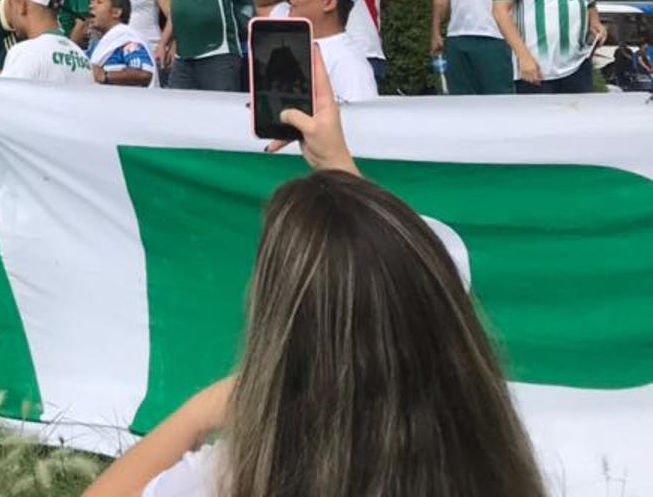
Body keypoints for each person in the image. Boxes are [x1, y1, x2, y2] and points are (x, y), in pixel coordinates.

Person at [85, 48, 547, 497]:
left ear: (278, 320)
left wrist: (199, 414)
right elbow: (413, 279)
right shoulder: (480, 458)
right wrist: (340, 168)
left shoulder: (232, 476)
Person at [251, 0, 379, 103]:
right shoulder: (292, 24)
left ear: (329, 2)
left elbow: (363, 122)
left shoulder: (351, 66)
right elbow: (265, 4)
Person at [86, 0, 156, 87]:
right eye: (92, 2)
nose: (91, 6)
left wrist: (104, 76)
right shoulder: (99, 44)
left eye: (99, 2)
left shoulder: (128, 40)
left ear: (116, 13)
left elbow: (144, 74)